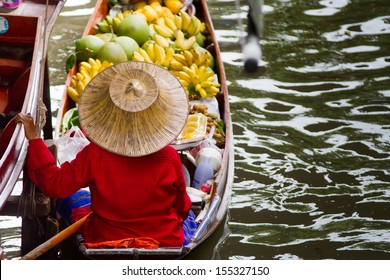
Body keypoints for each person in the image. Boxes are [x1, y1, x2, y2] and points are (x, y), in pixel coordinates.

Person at [16, 61, 195, 248]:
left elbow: (55, 184)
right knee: (189, 215)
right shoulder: (169, 156)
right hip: (162, 240)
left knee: (70, 201)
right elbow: (182, 209)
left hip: (106, 240)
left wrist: (35, 140)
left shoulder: (96, 153)